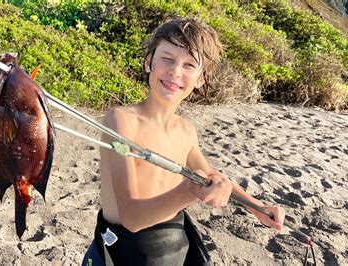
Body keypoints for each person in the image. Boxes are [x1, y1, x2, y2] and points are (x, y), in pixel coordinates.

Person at [82, 15, 285, 265]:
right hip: (119, 252)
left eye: (189, 65)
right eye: (167, 59)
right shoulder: (122, 120)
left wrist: (258, 208)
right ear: (149, 62)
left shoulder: (186, 130)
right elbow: (132, 219)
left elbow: (211, 174)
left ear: (201, 78)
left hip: (169, 248)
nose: (175, 72)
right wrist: (190, 192)